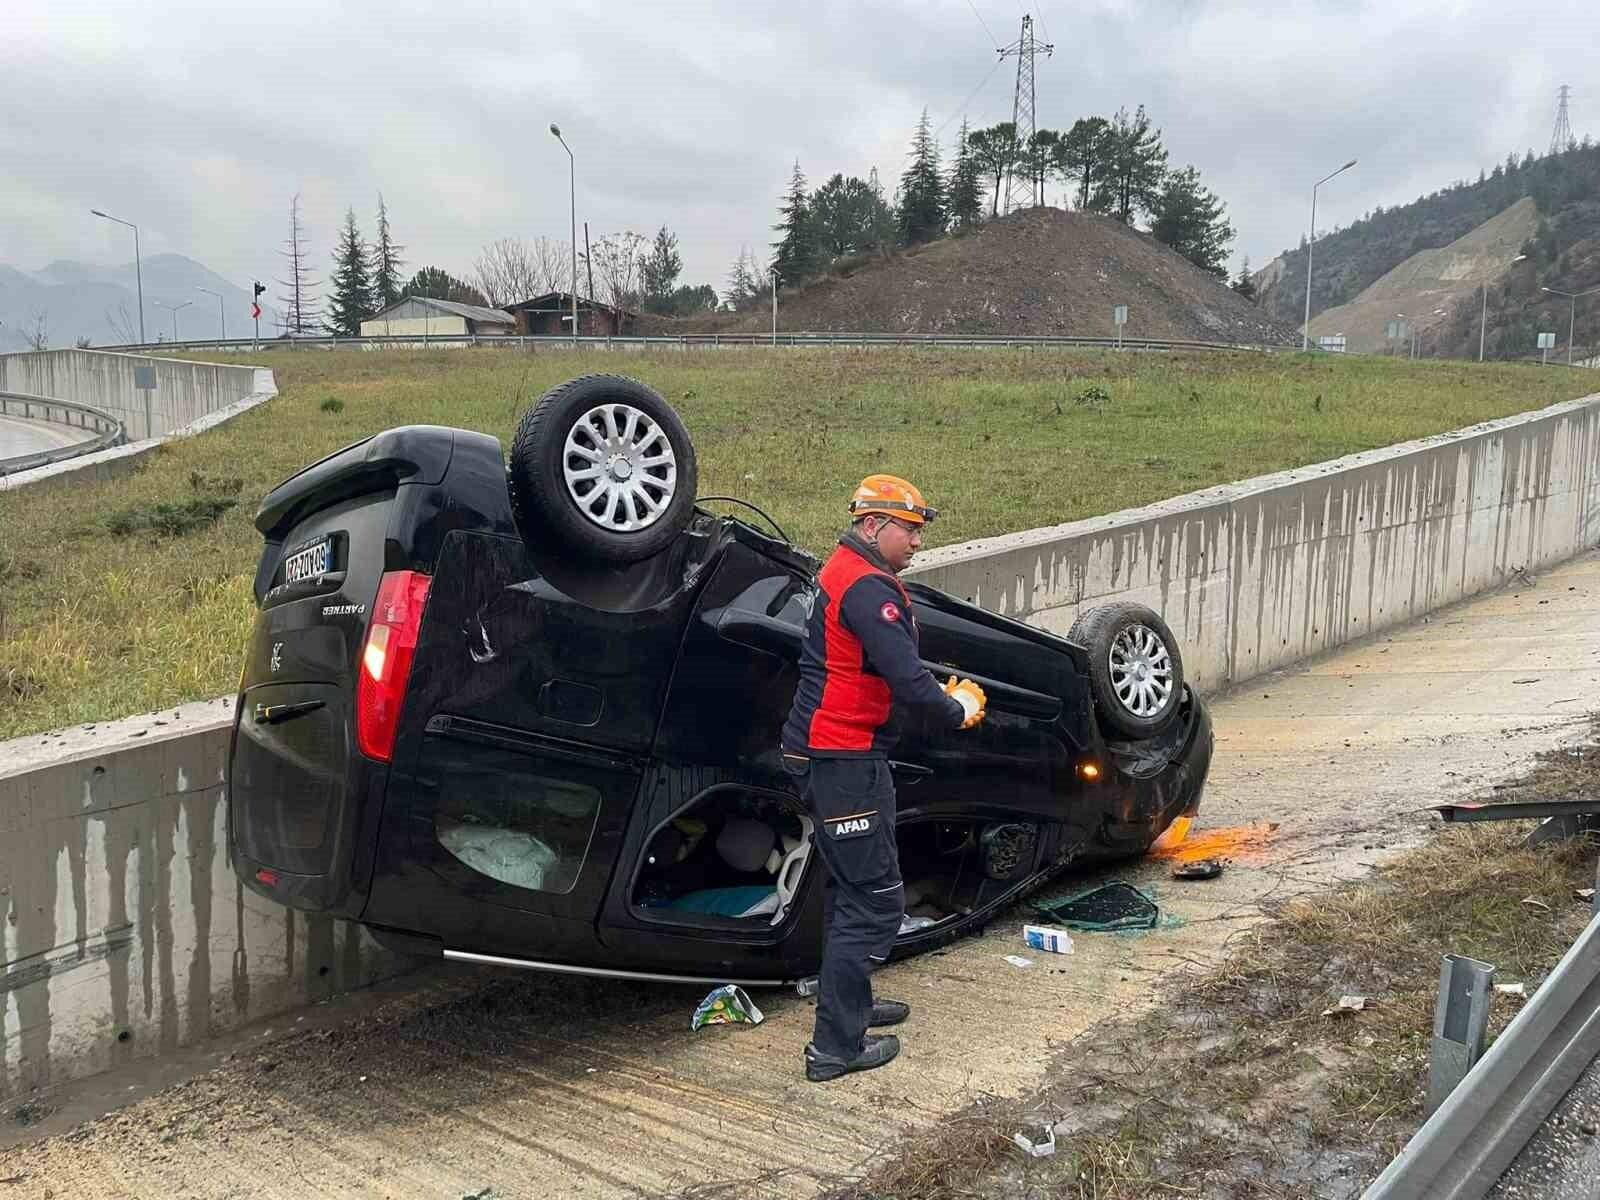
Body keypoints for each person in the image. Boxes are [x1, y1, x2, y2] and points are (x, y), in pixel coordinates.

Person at [780, 474, 987, 1082]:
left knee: (853, 889)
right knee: (874, 904)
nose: (918, 540)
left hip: (844, 752)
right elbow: (905, 676)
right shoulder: (869, 589)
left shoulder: (846, 569)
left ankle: (854, 1005)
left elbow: (880, 663)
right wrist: (957, 709)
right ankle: (834, 1050)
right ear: (874, 525)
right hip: (840, 758)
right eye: (911, 528)